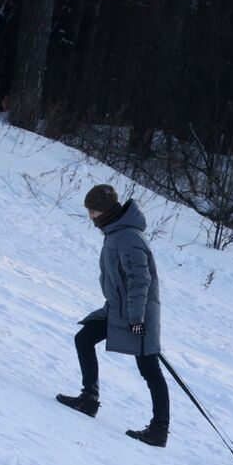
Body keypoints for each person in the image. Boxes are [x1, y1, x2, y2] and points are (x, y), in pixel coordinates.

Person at [56, 184, 170, 447]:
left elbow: (140, 281)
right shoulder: (115, 232)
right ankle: (89, 399)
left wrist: (137, 320)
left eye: (93, 211)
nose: (90, 217)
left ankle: (159, 429)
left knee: (150, 369)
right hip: (118, 310)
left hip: (137, 315)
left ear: (105, 212)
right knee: (84, 338)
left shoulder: (129, 238)